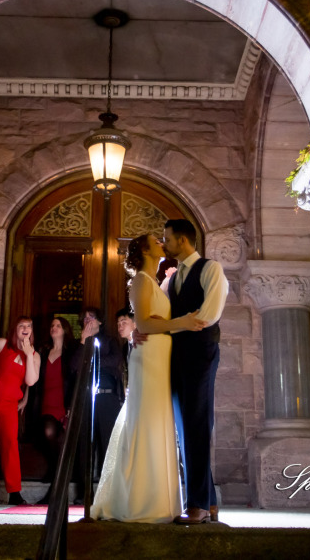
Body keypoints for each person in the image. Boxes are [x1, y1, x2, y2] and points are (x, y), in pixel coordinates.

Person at [93, 233, 203, 522]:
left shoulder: (153, 282)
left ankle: (160, 501)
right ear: (144, 249)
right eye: (155, 240)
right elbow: (142, 323)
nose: (161, 243)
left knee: (158, 423)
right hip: (149, 357)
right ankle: (142, 501)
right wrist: (185, 322)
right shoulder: (141, 280)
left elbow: (150, 321)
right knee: (147, 422)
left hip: (159, 357)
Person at [162, 218, 229, 524]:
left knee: (197, 423)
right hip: (177, 356)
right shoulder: (174, 277)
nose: (165, 243)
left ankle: (198, 505)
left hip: (200, 354)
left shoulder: (210, 269)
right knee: (185, 426)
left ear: (183, 241)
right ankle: (210, 503)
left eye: (168, 238)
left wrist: (168, 328)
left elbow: (207, 315)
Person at [0, 316, 40, 505]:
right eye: (21, 326)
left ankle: (14, 491)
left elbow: (30, 381)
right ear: (15, 329)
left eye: (29, 326)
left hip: (10, 405)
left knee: (10, 445)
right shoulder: (2, 344)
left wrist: (27, 354)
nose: (25, 329)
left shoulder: (34, 356)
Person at [70, 306, 124, 499]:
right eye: (84, 318)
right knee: (85, 446)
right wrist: (84, 342)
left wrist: (92, 359)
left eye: (91, 317)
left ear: (100, 321)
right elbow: (74, 367)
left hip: (107, 397)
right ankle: (85, 493)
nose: (88, 320)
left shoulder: (109, 341)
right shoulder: (78, 343)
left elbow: (115, 360)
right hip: (85, 399)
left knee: (107, 444)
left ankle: (106, 493)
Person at [26, 316, 75, 504]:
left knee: (52, 434)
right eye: (52, 325)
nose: (54, 328)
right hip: (44, 402)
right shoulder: (44, 352)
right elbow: (34, 380)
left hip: (62, 404)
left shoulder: (70, 353)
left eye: (58, 325)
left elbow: (74, 380)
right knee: (45, 434)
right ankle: (57, 471)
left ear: (65, 330)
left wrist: (71, 406)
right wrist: (25, 400)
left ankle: (55, 480)